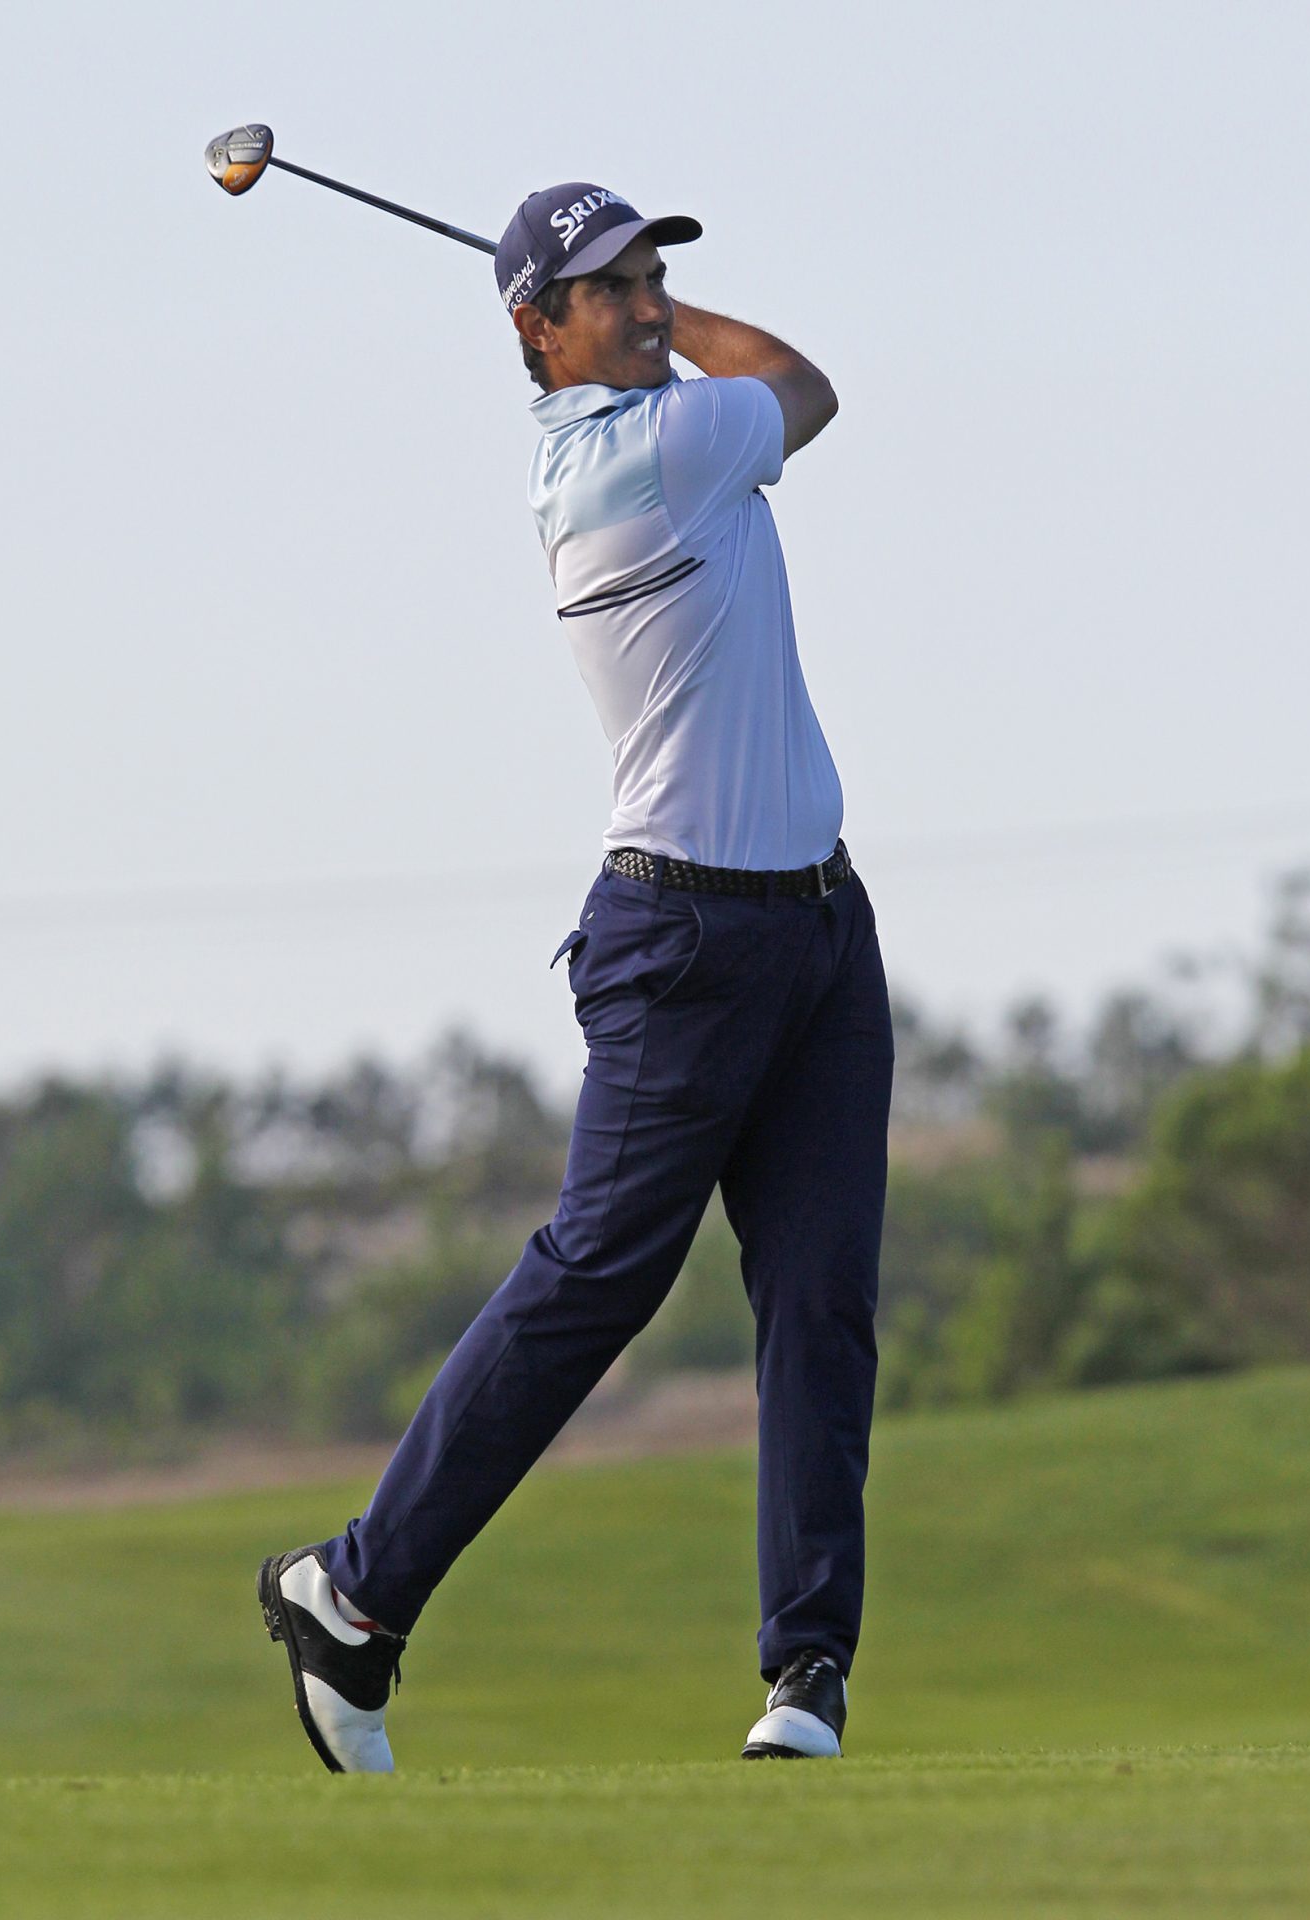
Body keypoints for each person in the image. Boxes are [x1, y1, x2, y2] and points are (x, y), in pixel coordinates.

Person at [258, 181, 894, 1772]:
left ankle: (806, 1675)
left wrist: (660, 330)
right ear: (536, 331)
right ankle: (353, 1589)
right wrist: (687, 345)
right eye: (608, 289)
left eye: (653, 272)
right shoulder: (643, 454)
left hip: (817, 928)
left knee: (819, 1298)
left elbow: (753, 389)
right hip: (683, 940)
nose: (649, 301)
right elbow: (809, 385)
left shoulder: (666, 415)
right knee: (599, 1273)